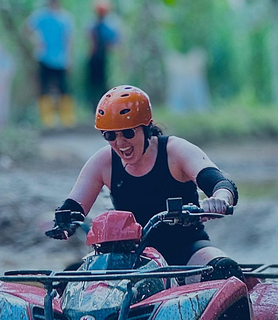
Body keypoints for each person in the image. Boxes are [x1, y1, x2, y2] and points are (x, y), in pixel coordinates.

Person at [45, 85, 242, 280]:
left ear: (147, 127)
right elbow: (74, 206)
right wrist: (64, 223)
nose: (120, 143)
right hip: (131, 258)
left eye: (128, 133)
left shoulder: (175, 151)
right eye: (110, 135)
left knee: (224, 271)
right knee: (68, 281)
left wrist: (220, 199)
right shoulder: (104, 161)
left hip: (187, 250)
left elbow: (220, 183)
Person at [26, 0, 75, 128]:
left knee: (64, 89)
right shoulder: (40, 16)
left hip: (61, 60)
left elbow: (68, 40)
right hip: (44, 57)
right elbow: (27, 30)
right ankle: (48, 121)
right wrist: (36, 43)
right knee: (44, 89)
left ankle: (67, 120)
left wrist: (69, 58)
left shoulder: (65, 18)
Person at [86, 2, 121, 108]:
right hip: (94, 58)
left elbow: (115, 42)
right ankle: (94, 106)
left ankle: (106, 105)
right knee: (92, 83)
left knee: (105, 83)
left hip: (105, 58)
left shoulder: (110, 25)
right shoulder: (91, 24)